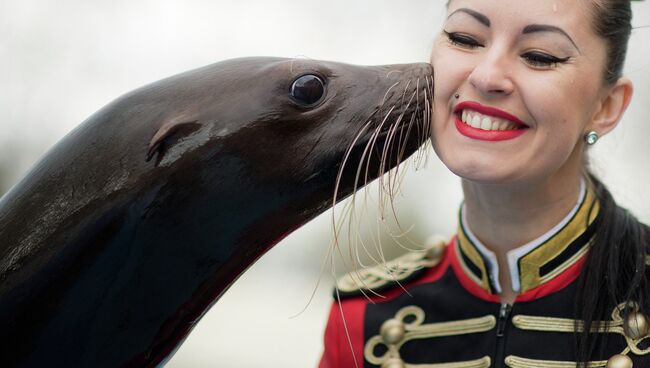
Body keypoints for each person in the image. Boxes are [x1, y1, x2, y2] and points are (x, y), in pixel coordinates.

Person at [319, 0, 650, 367]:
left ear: (606, 107)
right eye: (464, 38)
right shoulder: (362, 320)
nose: (487, 77)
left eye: (540, 56)